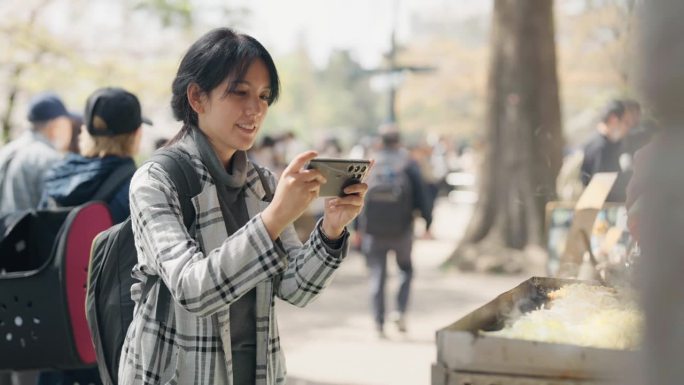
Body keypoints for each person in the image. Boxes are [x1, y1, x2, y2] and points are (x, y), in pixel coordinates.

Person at [117, 28, 368, 385]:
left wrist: (331, 230)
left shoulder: (261, 182)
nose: (256, 109)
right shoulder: (156, 180)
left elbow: (296, 287)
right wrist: (276, 216)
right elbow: (193, 290)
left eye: (264, 96)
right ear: (197, 97)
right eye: (240, 92)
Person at [36, 87, 148, 385]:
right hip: (112, 336)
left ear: (85, 131)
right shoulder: (137, 187)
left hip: (57, 329)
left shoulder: (56, 181)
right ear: (136, 134)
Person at [359, 124, 432, 338]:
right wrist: (427, 222)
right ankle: (399, 312)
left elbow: (355, 194)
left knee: (377, 275)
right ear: (399, 141)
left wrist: (356, 229)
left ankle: (379, 322)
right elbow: (422, 196)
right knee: (405, 270)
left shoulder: (371, 164)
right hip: (402, 230)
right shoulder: (408, 164)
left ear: (379, 142)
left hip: (373, 231)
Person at [0, 92, 73, 214]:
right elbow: (54, 213)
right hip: (27, 231)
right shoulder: (49, 158)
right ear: (56, 126)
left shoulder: (6, 151)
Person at [580, 99, 630, 202]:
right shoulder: (599, 148)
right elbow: (601, 189)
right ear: (613, 119)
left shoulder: (610, 144)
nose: (628, 128)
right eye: (626, 122)